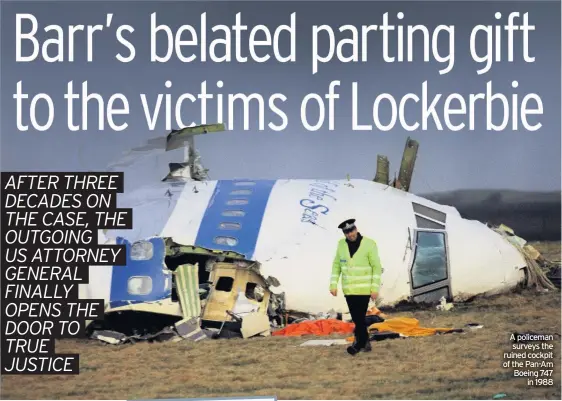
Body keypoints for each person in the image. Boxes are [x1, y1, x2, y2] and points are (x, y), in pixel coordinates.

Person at [329, 218, 383, 355]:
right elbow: (337, 265)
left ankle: (358, 345)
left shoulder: (369, 244)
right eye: (347, 232)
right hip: (349, 289)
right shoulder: (341, 245)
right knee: (357, 318)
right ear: (344, 233)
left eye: (352, 231)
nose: (350, 234)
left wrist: (374, 288)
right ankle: (365, 343)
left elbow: (376, 267)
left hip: (364, 289)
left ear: (356, 229)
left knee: (359, 319)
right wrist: (333, 284)